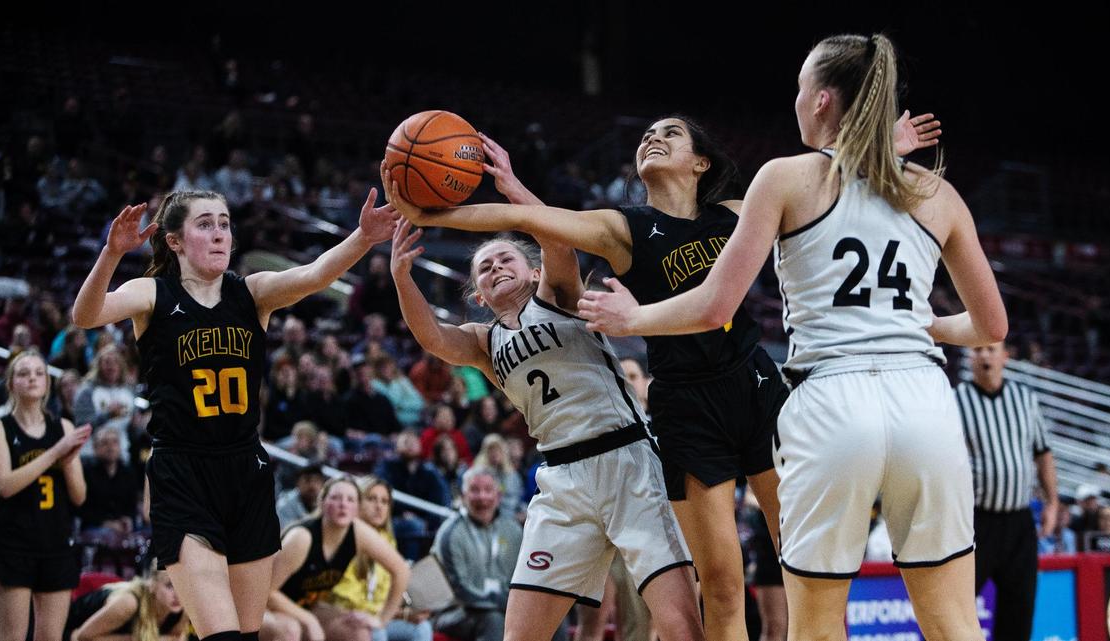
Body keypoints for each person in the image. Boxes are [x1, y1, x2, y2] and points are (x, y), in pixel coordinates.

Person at [383, 118, 937, 641]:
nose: (653, 137)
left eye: (670, 132)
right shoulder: (622, 229)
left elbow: (818, 190)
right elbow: (536, 230)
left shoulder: (734, 212)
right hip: (674, 411)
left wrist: (879, 152)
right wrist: (427, 213)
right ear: (476, 294)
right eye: (647, 133)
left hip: (745, 389)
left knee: (804, 561)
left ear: (700, 163)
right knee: (720, 585)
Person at [575, 33, 1005, 641]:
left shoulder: (784, 178)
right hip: (925, 401)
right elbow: (991, 326)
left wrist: (635, 319)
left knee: (818, 626)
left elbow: (716, 305)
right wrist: (911, 323)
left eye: (801, 89)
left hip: (831, 403)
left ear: (824, 100)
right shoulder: (937, 193)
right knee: (954, 622)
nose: (796, 101)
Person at [385, 141, 703, 641]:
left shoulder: (556, 294)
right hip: (561, 480)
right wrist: (401, 276)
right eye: (483, 269)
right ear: (478, 295)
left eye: (504, 257)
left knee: (681, 625)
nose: (494, 268)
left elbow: (557, 240)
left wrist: (511, 188)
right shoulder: (484, 341)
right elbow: (432, 338)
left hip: (628, 461)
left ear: (532, 270)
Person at [70, 188, 398, 641]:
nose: (220, 233)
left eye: (224, 223)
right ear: (175, 241)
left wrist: (363, 238)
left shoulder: (252, 293)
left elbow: (316, 274)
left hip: (246, 471)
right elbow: (86, 315)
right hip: (181, 472)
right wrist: (110, 255)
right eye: (205, 224)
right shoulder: (153, 294)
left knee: (245, 635)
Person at [956, 341, 1057, 641]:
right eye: (977, 350)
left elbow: (1043, 454)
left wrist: (1052, 503)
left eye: (990, 349)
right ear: (969, 358)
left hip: (1019, 522)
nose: (984, 355)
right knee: (956, 608)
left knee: (1020, 608)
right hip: (975, 523)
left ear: (1005, 357)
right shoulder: (954, 401)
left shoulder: (1025, 399)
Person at [0, 350, 92, 641]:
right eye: (24, 373)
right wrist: (55, 453)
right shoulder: (1, 428)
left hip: (56, 542)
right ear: (11, 383)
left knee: (51, 637)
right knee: (12, 637)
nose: (33, 378)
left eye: (39, 373)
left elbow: (79, 497)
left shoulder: (62, 427)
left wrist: (66, 463)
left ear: (47, 384)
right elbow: (5, 485)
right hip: (13, 545)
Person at [269, 476, 410, 641]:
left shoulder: (358, 532)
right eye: (336, 498)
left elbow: (401, 570)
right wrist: (309, 620)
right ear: (322, 503)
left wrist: (381, 620)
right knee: (290, 630)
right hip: (265, 606)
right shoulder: (302, 538)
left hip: (307, 606)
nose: (343, 504)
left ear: (357, 508)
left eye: (350, 500)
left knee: (359, 631)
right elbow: (266, 593)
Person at [430, 469, 558, 641]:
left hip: (504, 606)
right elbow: (460, 591)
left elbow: (526, 578)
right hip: (455, 611)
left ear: (498, 495)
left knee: (552, 618)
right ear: (463, 495)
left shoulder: (513, 530)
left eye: (488, 490)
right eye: (475, 490)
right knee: (494, 620)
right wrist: (508, 604)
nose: (482, 497)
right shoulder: (450, 533)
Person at [328, 476, 432, 641]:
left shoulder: (387, 540)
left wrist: (404, 613)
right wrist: (398, 615)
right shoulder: (345, 536)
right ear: (358, 501)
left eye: (384, 502)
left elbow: (384, 595)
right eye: (372, 499)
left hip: (374, 615)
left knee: (421, 628)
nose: (379, 507)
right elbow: (347, 599)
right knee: (376, 632)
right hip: (344, 614)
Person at [65, 568, 188, 641]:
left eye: (183, 585)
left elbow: (175, 638)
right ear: (152, 585)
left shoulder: (181, 608)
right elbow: (81, 636)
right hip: (66, 631)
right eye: (169, 586)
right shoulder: (129, 603)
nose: (178, 594)